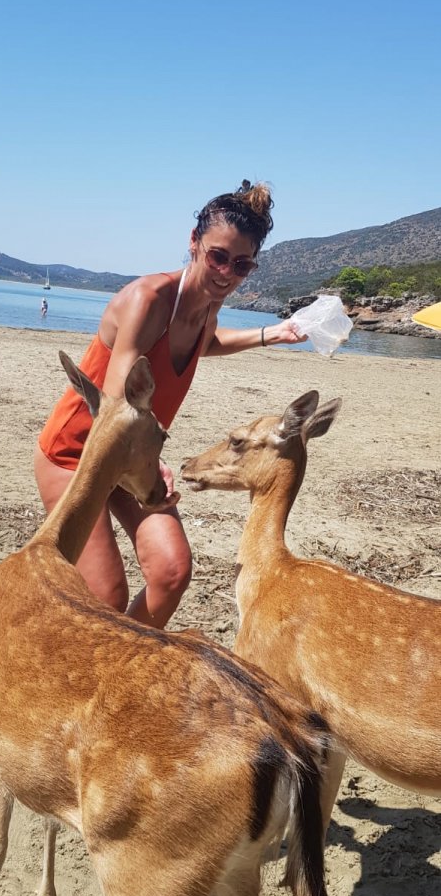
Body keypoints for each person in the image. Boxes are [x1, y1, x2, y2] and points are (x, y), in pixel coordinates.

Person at [34, 180, 303, 629]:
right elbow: (119, 403)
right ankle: (90, 671)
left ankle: (119, 668)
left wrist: (270, 334)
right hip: (76, 454)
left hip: (133, 458)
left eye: (242, 265)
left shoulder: (208, 307)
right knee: (106, 594)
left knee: (171, 572)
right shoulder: (148, 300)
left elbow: (205, 342)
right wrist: (152, 460)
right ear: (194, 242)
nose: (226, 273)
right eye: (218, 256)